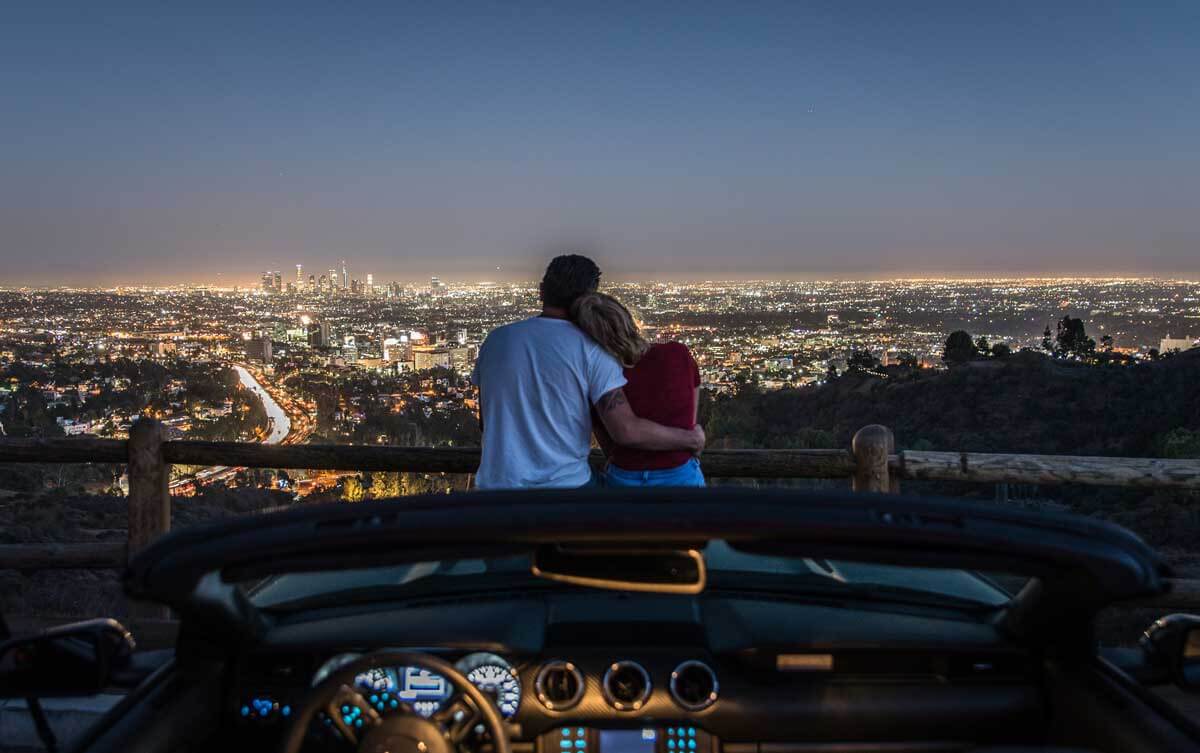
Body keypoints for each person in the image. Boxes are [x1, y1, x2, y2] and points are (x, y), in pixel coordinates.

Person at [471, 255, 705, 489]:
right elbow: (625, 429)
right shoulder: (591, 349)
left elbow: (486, 421)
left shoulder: (496, 340)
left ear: (542, 291)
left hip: (496, 488)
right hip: (567, 488)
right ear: (589, 298)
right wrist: (691, 439)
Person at [570, 292, 705, 487]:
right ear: (627, 319)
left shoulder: (601, 376)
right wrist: (690, 440)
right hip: (680, 473)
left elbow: (607, 441)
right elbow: (690, 416)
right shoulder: (678, 353)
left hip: (626, 476)